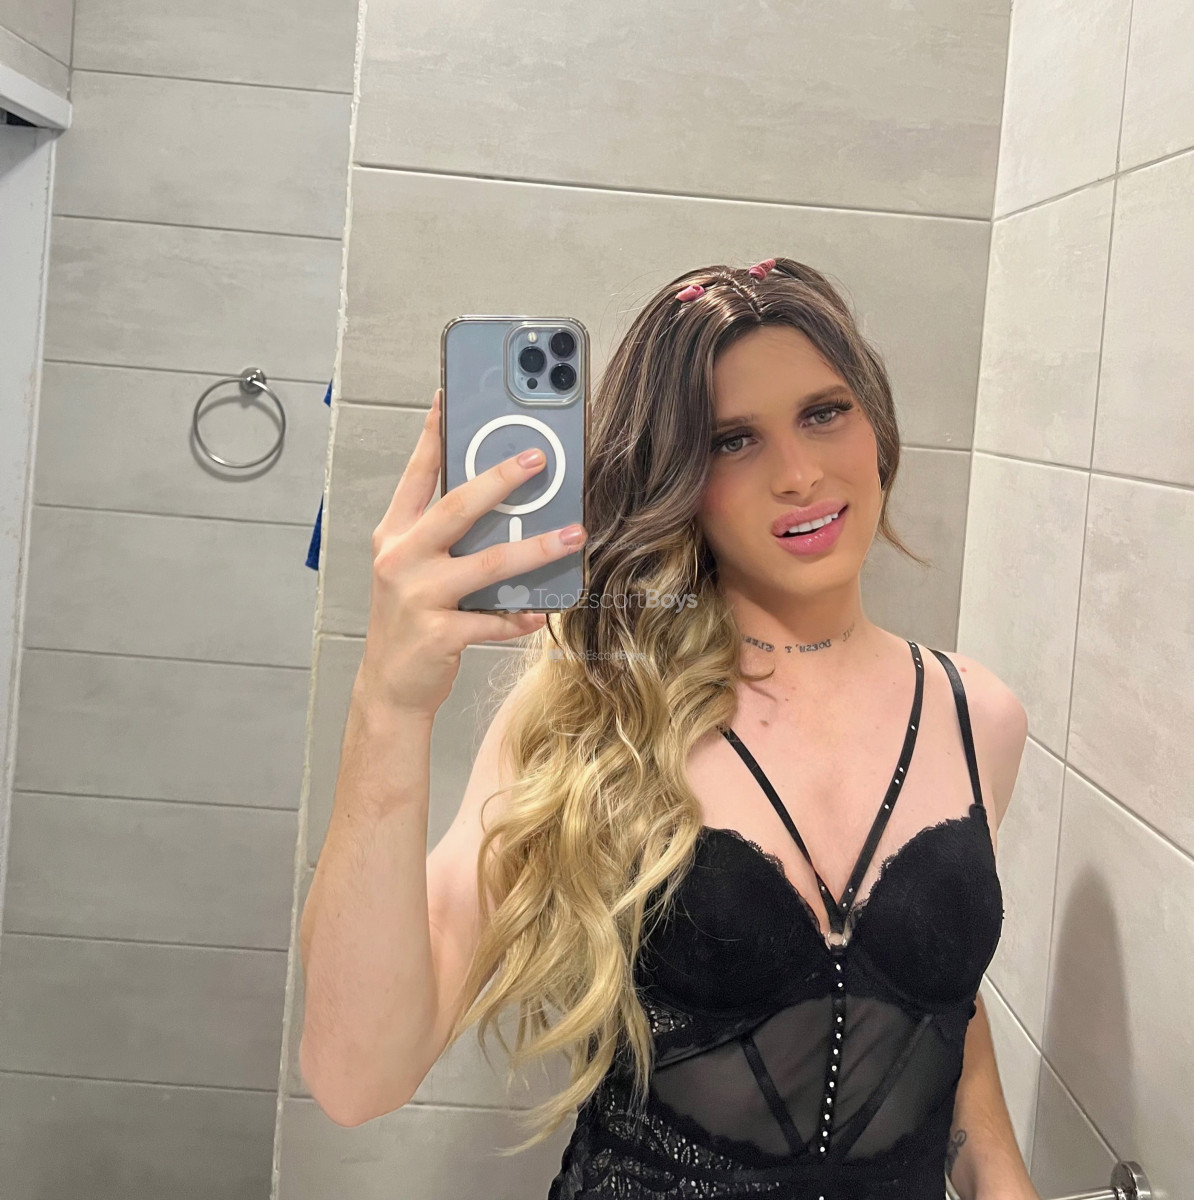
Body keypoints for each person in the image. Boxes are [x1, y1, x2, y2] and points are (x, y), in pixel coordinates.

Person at [299, 257, 1038, 1200]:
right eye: (734, 440)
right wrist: (390, 704)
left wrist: (1005, 1182)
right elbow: (357, 1077)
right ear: (678, 477)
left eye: (824, 412)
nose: (801, 474)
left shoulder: (979, 718)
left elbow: (942, 1010)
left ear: (877, 425)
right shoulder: (591, 711)